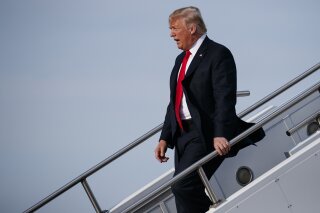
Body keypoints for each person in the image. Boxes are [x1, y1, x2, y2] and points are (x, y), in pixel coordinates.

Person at [154, 6, 264, 213]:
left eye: (175, 28)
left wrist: (220, 133)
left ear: (192, 28)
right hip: (182, 136)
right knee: (183, 189)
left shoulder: (218, 53)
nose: (171, 34)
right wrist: (164, 138)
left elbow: (225, 97)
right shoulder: (180, 60)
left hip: (204, 132)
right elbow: (175, 101)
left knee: (182, 185)